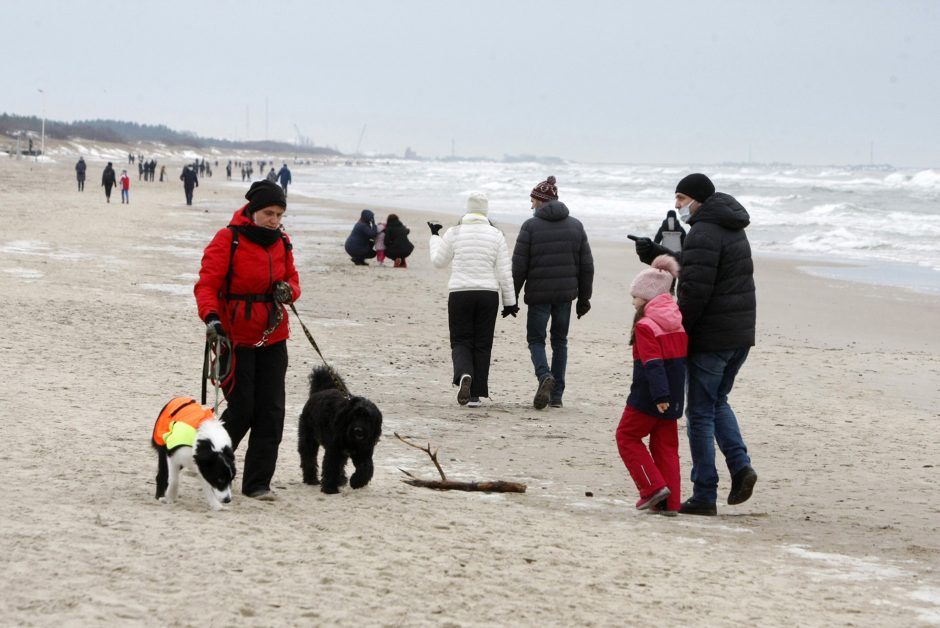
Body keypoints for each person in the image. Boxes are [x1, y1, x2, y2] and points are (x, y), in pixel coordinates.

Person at [633, 173, 758, 516]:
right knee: (717, 402)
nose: (677, 206)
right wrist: (658, 254)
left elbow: (696, 290)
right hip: (739, 334)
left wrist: (678, 331)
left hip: (712, 337)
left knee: (700, 413)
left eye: (681, 198)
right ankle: (741, 466)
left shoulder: (703, 231)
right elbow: (700, 269)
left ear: (697, 199)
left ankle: (704, 493)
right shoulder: (731, 227)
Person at [194, 179, 301, 500]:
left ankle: (257, 484)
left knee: (271, 412)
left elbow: (293, 281)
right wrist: (211, 317)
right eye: (269, 213)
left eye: (280, 214)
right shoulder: (229, 239)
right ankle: (211, 463)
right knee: (241, 409)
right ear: (252, 211)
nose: (275, 220)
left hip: (273, 337)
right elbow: (206, 284)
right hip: (234, 338)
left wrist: (288, 291)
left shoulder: (282, 241)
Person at [512, 176, 594, 409]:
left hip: (539, 296)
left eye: (532, 200)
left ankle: (544, 376)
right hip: (565, 296)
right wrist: (584, 299)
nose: (531, 206)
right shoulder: (576, 226)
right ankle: (556, 396)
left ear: (540, 201)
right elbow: (587, 265)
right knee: (560, 342)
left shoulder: (530, 226)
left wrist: (512, 297)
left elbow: (519, 267)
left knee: (536, 339)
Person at [429, 192, 518, 407]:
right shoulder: (496, 235)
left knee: (460, 341)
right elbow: (505, 271)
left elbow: (438, 262)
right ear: (486, 210)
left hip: (460, 293)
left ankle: (464, 375)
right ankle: (475, 395)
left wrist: (434, 237)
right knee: (483, 344)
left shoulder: (454, 232)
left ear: (467, 209)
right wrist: (510, 302)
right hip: (488, 294)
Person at [615, 255, 686, 515]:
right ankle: (671, 503)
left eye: (635, 296)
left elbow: (653, 363)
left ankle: (652, 488)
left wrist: (660, 395)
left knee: (626, 436)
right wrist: (670, 396)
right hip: (675, 395)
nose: (632, 300)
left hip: (650, 395)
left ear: (647, 297)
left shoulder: (646, 325)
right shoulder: (676, 321)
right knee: (666, 447)